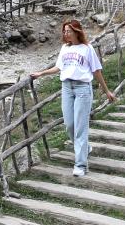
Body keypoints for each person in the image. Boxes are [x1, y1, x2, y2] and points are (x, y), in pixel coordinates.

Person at [29, 20, 115, 177]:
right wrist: (41, 73)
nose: (65, 34)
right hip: (67, 88)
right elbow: (59, 67)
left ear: (77, 31)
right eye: (64, 31)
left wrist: (107, 91)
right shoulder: (64, 48)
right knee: (69, 124)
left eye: (68, 31)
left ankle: (81, 165)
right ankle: (85, 148)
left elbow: (96, 71)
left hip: (83, 89)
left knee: (81, 127)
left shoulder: (87, 49)